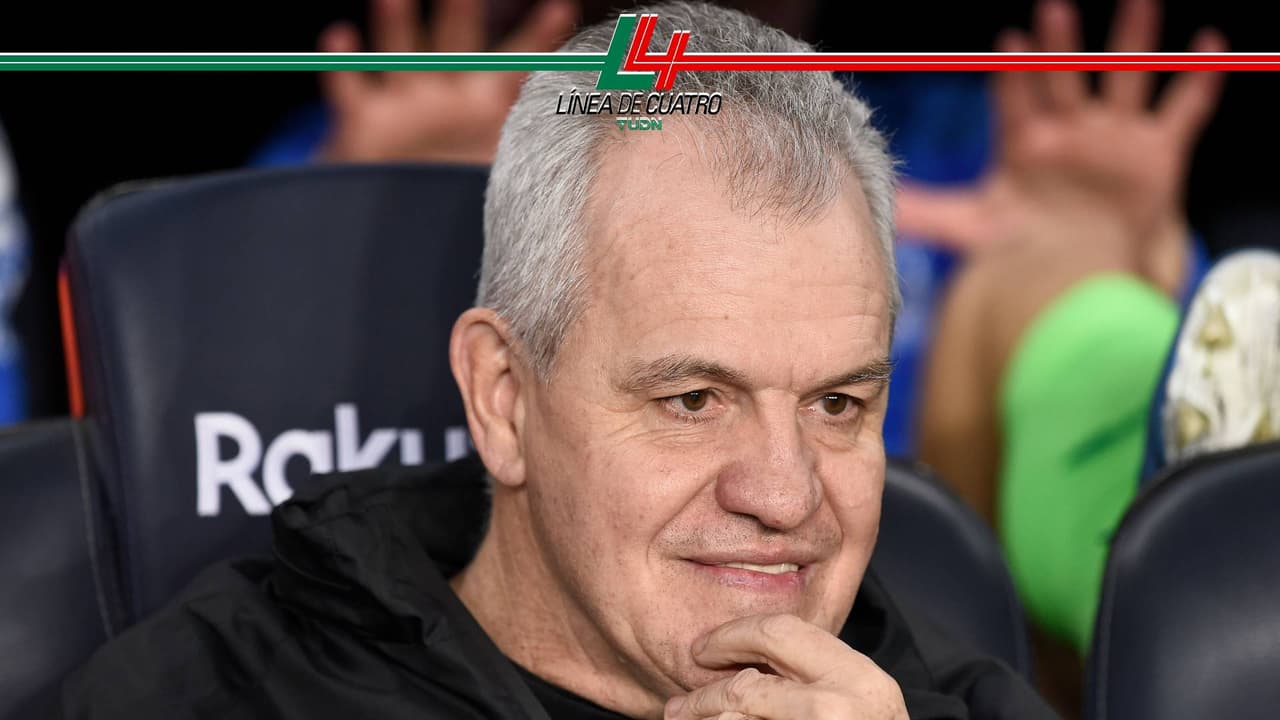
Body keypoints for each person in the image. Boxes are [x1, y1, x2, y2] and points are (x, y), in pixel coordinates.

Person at [60, 3, 1057, 718]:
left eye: (836, 404)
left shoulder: (959, 700)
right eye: (693, 398)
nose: (784, 495)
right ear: (503, 398)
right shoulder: (214, 693)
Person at [914, 0, 1227, 658]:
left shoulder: (972, 112)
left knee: (1052, 267)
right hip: (912, 547)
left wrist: (1127, 249)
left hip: (1004, 578)